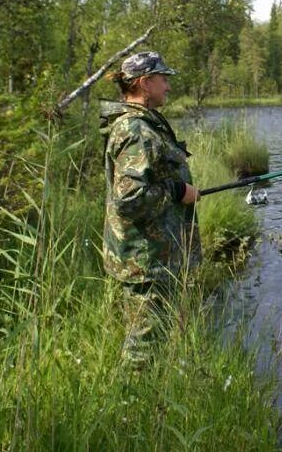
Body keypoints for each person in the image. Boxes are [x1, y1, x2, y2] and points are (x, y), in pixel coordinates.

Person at [99, 51, 201, 365]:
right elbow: (129, 198)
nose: (168, 85)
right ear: (145, 83)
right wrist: (177, 190)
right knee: (142, 349)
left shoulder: (140, 124)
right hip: (147, 261)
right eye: (163, 78)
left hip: (150, 256)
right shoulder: (135, 130)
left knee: (151, 337)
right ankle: (129, 409)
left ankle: (145, 402)